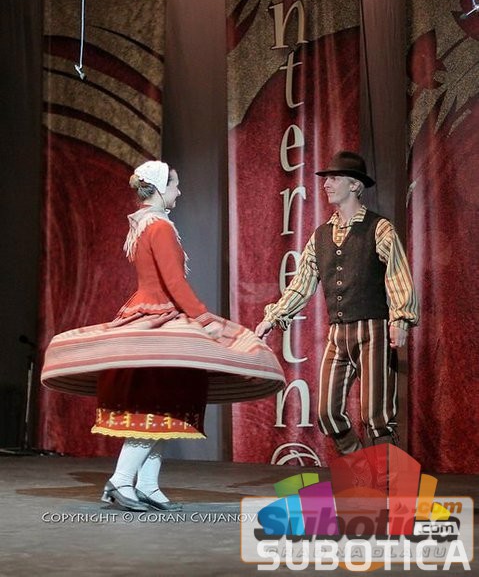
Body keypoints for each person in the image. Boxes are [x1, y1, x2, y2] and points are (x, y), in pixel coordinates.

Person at [42, 160, 284, 511]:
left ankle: (147, 485)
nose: (179, 191)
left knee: (167, 408)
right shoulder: (160, 227)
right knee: (158, 403)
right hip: (160, 315)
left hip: (147, 313)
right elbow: (173, 283)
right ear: (158, 188)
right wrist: (203, 318)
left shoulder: (143, 224)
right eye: (174, 185)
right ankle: (121, 480)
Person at [255, 151, 419, 456]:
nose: (326, 184)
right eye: (326, 179)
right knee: (327, 413)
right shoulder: (320, 236)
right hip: (338, 333)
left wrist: (400, 319)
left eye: (334, 178)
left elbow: (397, 274)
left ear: (355, 185)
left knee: (377, 417)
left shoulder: (378, 228)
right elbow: (302, 284)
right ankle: (361, 467)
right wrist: (273, 317)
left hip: (373, 330)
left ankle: (388, 481)